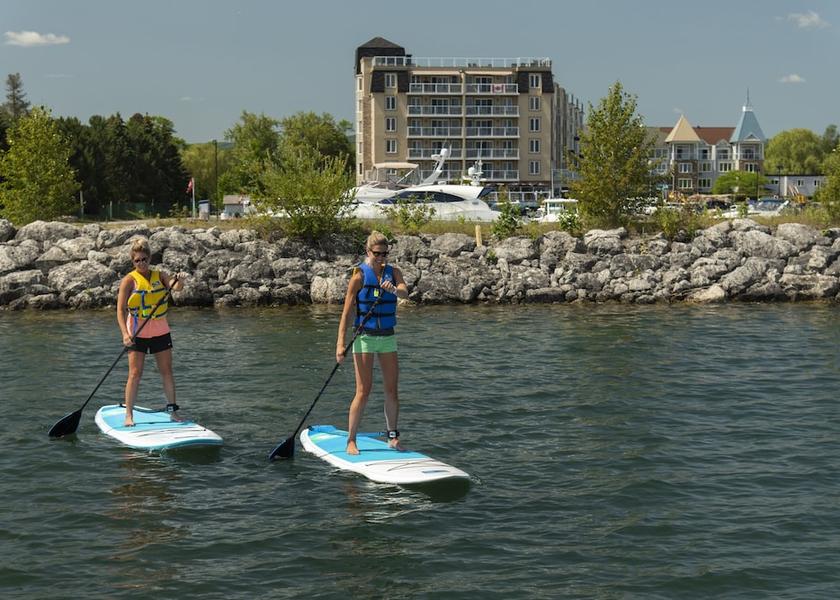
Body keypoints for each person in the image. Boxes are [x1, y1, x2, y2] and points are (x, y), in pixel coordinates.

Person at [336, 231, 409, 455]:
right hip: (364, 338)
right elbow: (347, 313)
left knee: (392, 390)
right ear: (368, 252)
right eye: (377, 254)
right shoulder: (359, 276)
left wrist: (394, 290)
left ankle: (393, 437)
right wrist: (340, 344)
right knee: (363, 390)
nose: (381, 258)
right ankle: (351, 440)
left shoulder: (393, 272)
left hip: (387, 337)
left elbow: (405, 293)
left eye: (385, 253)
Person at [116, 238, 185, 427]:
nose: (141, 264)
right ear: (133, 261)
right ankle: (129, 415)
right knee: (135, 374)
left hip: (161, 331)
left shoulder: (160, 275)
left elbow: (176, 287)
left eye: (144, 259)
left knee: (167, 371)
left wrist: (180, 281)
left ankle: (173, 412)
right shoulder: (129, 281)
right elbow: (120, 310)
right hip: (137, 333)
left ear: (149, 258)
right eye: (137, 260)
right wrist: (125, 334)